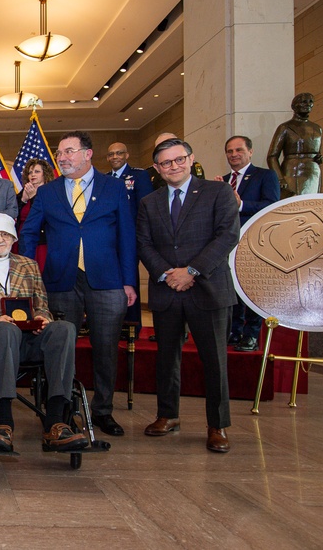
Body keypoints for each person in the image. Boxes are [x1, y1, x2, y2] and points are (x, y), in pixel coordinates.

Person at [19, 130, 136, 438]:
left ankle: (102, 411)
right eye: (59, 154)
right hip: (61, 281)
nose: (62, 158)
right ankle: (62, 411)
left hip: (108, 280)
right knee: (60, 346)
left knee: (106, 348)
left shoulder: (114, 188)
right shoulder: (48, 191)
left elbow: (127, 236)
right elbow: (30, 234)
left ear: (87, 154)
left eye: (69, 151)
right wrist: (29, 275)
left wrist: (128, 282)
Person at [136, 138, 239, 453]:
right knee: (167, 358)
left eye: (178, 160)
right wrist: (169, 274)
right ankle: (168, 415)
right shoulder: (149, 202)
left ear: (191, 159)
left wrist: (191, 271)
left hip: (207, 288)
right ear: (157, 168)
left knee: (214, 360)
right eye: (165, 163)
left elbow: (227, 235)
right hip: (167, 290)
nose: (173, 166)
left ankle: (217, 425)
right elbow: (144, 243)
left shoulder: (217, 193)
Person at [0, 213, 89, 453]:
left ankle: (56, 421)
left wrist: (43, 318)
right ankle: (4, 421)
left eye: (5, 234)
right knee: (6, 330)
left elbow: (42, 305)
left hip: (29, 338)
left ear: (13, 239)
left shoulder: (28, 266)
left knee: (65, 329)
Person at [217, 135, 280, 352]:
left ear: (250, 152)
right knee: (232, 289)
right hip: (227, 243)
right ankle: (234, 331)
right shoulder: (223, 181)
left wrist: (241, 204)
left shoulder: (264, 176)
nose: (234, 155)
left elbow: (272, 206)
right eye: (229, 151)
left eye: (238, 150)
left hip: (253, 242)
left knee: (250, 288)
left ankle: (252, 334)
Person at [106, 142, 153, 331]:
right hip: (110, 239)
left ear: (126, 155)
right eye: (111, 154)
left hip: (131, 238)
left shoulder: (139, 176)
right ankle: (115, 323)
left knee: (129, 279)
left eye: (119, 153)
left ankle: (132, 325)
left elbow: (146, 207)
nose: (115, 157)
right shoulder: (105, 179)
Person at [267, 92, 323, 198]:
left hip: (312, 171)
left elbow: (318, 152)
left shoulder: (317, 128)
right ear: (294, 106)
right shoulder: (285, 127)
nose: (308, 104)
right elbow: (272, 156)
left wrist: (319, 158)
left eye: (310, 101)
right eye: (303, 101)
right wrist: (280, 178)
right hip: (292, 170)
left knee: (311, 202)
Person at [14, 158, 55, 267]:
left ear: (44, 174)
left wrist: (33, 198)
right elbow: (13, 214)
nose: (33, 175)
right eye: (30, 172)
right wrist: (23, 200)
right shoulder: (23, 192)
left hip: (39, 241)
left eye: (37, 172)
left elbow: (43, 218)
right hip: (20, 239)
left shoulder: (50, 192)